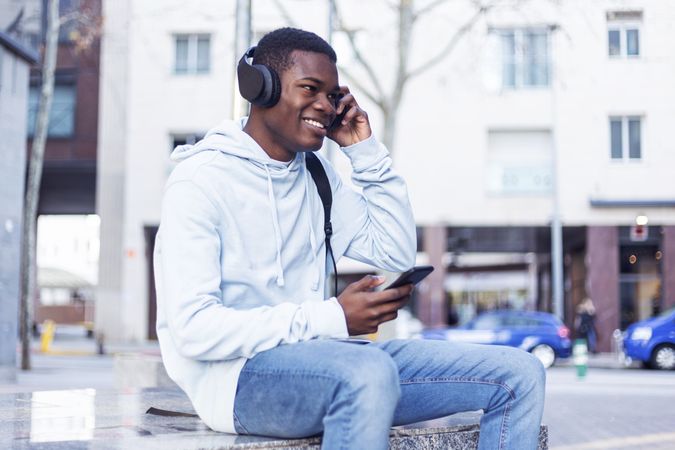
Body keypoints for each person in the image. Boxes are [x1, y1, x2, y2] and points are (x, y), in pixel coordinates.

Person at [154, 27, 545, 450]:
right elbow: (193, 328)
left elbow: (393, 251)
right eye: (310, 89)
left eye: (333, 95)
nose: (324, 106)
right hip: (235, 382)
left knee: (520, 374)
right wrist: (332, 317)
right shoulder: (200, 180)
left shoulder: (317, 176)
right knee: (366, 374)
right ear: (260, 88)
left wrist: (366, 153)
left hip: (332, 361)